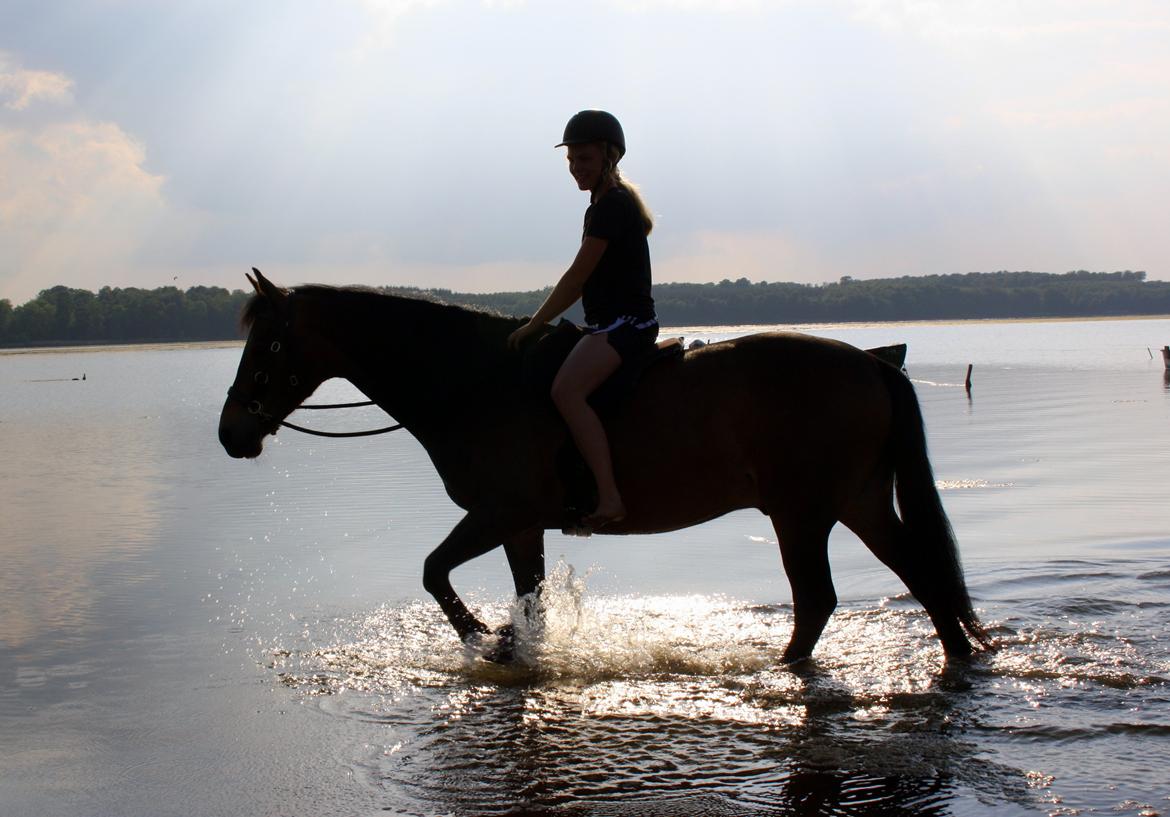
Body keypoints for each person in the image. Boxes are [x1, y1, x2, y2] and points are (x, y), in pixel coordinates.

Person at [507, 110, 658, 531]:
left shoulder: (611, 206)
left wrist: (535, 324)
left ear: (609, 157)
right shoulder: (605, 201)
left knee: (567, 391)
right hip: (610, 324)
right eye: (571, 160)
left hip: (624, 326)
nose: (576, 167)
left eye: (585, 159)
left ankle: (609, 498)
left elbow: (576, 278)